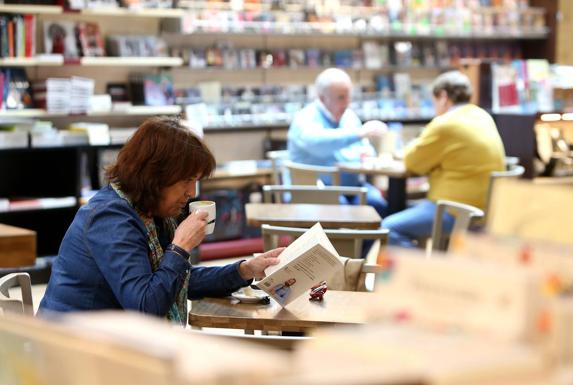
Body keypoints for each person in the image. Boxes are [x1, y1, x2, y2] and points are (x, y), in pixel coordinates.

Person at [39, 117, 284, 325]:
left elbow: (180, 281)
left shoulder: (150, 211)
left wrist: (244, 270)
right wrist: (180, 248)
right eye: (186, 180)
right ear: (154, 177)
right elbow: (146, 308)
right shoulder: (110, 218)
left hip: (106, 340)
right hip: (70, 349)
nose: (192, 192)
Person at [382, 71, 505, 247]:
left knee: (389, 228)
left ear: (443, 97)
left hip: (456, 210)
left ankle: (418, 273)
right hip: (487, 209)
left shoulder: (446, 123)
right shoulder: (483, 116)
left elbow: (412, 162)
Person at [287, 68, 389, 217]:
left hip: (352, 188)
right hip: (315, 191)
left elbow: (364, 149)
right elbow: (319, 143)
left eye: (349, 97)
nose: (347, 103)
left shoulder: (349, 117)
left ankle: (359, 241)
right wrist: (359, 133)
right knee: (344, 211)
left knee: (378, 205)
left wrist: (367, 153)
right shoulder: (304, 118)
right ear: (322, 98)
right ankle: (349, 240)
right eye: (341, 97)